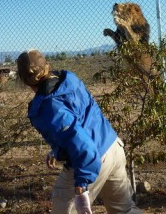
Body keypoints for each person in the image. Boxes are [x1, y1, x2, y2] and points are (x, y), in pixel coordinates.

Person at [17, 49, 142, 214]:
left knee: (64, 207)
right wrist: (59, 148)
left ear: (23, 79)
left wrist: (81, 186)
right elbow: (79, 120)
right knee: (124, 210)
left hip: (92, 157)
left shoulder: (47, 106)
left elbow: (84, 147)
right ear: (47, 65)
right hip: (113, 146)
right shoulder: (68, 80)